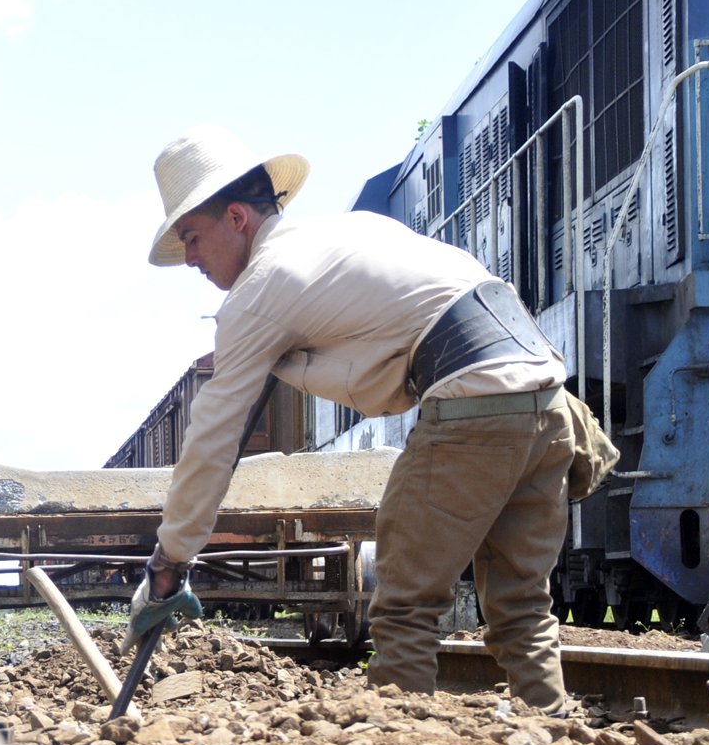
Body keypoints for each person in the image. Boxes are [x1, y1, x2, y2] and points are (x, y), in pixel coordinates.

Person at [129, 124, 575, 713]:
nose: (189, 258)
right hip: (549, 403)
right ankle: (555, 735)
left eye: (191, 236)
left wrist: (169, 561)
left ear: (236, 218)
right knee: (521, 603)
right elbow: (386, 366)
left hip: (473, 410)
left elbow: (212, 445)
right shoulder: (352, 233)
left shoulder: (259, 290)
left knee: (403, 608)